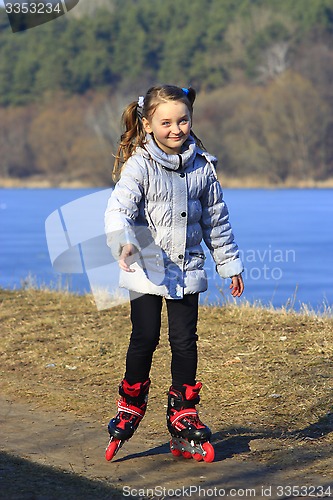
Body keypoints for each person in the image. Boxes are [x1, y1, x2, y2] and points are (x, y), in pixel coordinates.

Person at [104, 84, 244, 461]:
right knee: (145, 337)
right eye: (166, 122)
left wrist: (228, 264)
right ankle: (131, 399)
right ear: (148, 124)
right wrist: (125, 243)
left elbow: (217, 221)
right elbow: (118, 210)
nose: (176, 129)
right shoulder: (140, 165)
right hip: (145, 267)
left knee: (185, 342)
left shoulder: (203, 168)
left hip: (188, 270)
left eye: (183, 120)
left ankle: (183, 410)